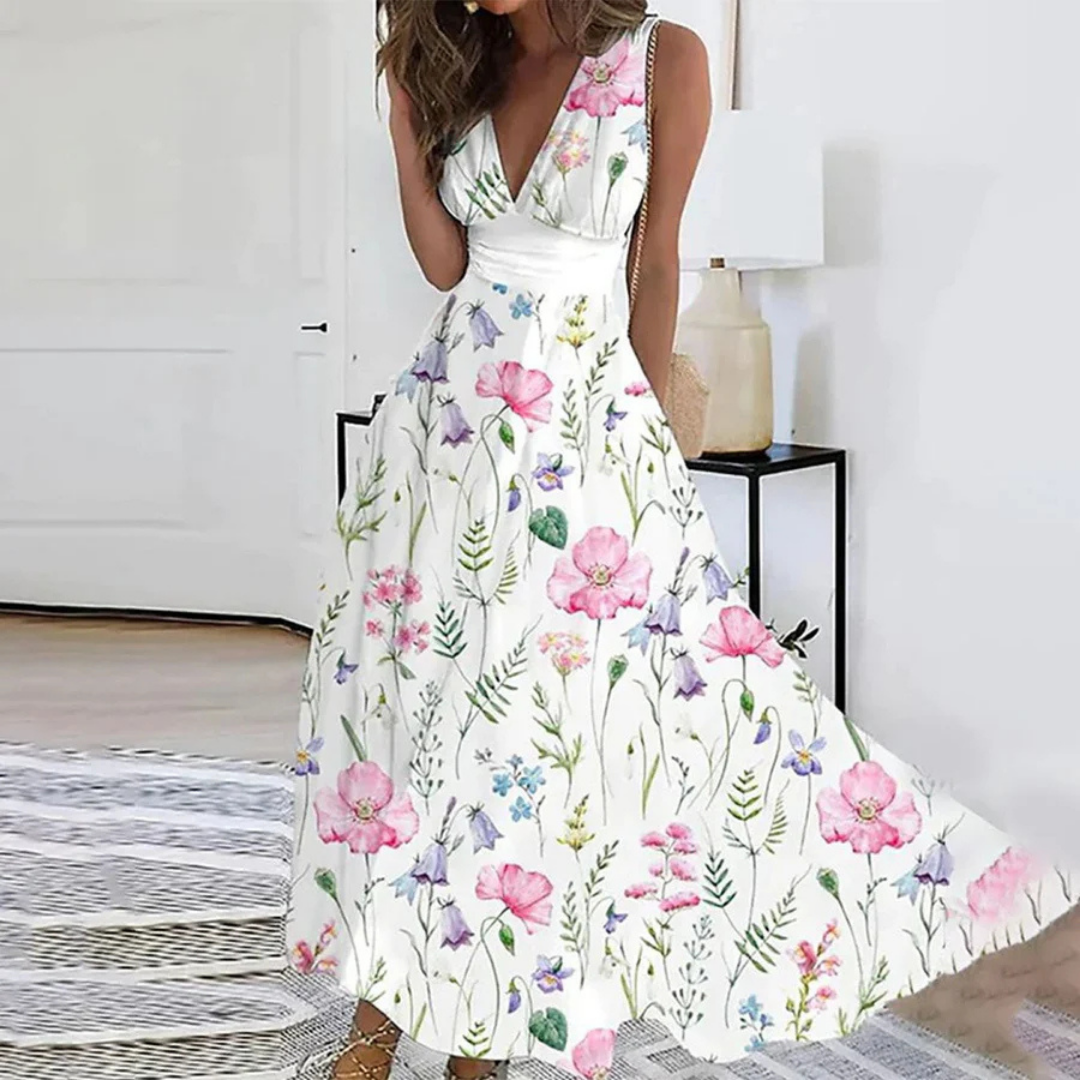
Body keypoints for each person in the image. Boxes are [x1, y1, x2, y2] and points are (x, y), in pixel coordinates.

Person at [288, 1, 1074, 1077]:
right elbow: (443, 264)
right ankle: (376, 1022)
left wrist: (638, 447)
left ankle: (490, 1035)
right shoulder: (461, 61)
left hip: (578, 436)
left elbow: (654, 265)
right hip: (440, 444)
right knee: (411, 727)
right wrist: (401, 118)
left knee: (536, 743)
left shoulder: (663, 58)